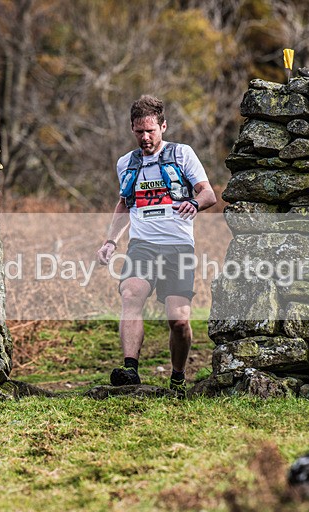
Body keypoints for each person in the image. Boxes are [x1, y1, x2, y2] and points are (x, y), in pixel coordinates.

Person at [96, 95, 217, 394]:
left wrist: (194, 203)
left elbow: (209, 194)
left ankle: (177, 376)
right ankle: (130, 370)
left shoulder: (182, 154)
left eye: (151, 130)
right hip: (142, 244)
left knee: (178, 320)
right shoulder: (126, 163)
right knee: (130, 292)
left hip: (178, 247)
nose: (145, 137)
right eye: (139, 131)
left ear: (163, 126)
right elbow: (125, 204)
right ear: (132, 129)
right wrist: (111, 241)